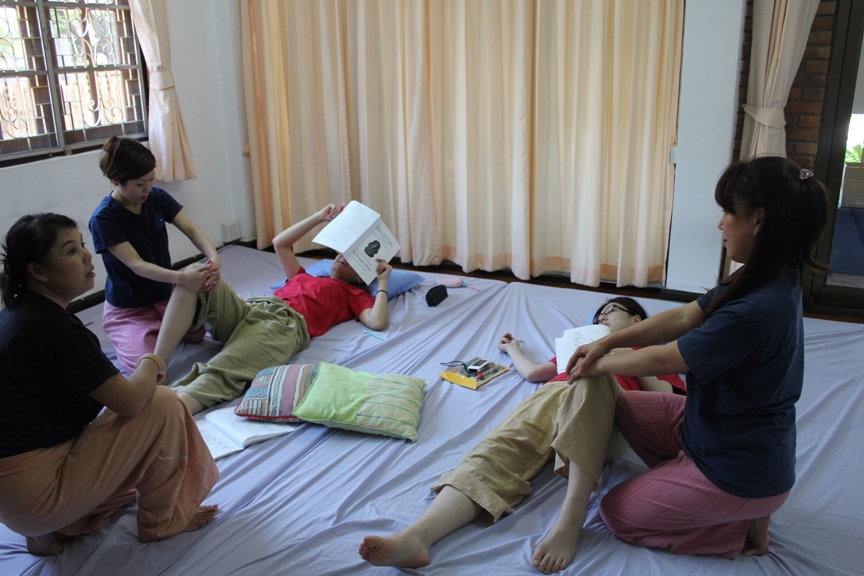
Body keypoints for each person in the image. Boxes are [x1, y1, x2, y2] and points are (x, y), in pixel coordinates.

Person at [565, 157, 829, 559]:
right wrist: (607, 343)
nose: (721, 224)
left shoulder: (756, 309)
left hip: (739, 470)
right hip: (715, 429)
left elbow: (665, 360)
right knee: (625, 406)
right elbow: (683, 316)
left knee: (615, 513)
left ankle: (737, 527)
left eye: (729, 212)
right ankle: (705, 495)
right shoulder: (762, 274)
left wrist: (599, 363)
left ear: (758, 220)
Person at [359, 298, 685, 574]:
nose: (602, 316)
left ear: (637, 320)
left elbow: (664, 399)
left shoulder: (651, 353)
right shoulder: (582, 343)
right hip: (553, 398)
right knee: (500, 448)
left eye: (612, 311)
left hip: (609, 413)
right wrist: (512, 348)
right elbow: (534, 373)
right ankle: (417, 537)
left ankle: (570, 521)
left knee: (591, 372)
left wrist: (618, 349)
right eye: (600, 313)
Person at [0, 214, 219, 556]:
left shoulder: (16, 313)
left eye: (82, 245)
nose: (88, 256)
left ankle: (45, 533)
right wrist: (155, 360)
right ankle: (161, 521)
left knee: (126, 440)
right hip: (37, 497)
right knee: (163, 403)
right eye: (71, 251)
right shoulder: (55, 329)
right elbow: (131, 402)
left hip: (12, 501)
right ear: (38, 271)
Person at [151, 204, 393, 415]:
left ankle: (168, 412)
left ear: (361, 277)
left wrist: (382, 282)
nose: (343, 257)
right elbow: (280, 243)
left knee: (227, 368)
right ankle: (157, 365)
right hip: (252, 309)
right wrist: (319, 217)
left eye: (353, 259)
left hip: (282, 325)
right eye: (344, 251)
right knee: (195, 273)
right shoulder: (303, 275)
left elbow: (376, 322)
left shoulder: (354, 294)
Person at [89, 136, 221, 375]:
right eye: (140, 184)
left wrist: (213, 257)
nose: (147, 189)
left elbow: (191, 230)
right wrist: (182, 279)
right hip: (131, 310)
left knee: (198, 325)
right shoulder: (104, 218)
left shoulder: (156, 197)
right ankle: (140, 336)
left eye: (151, 180)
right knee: (151, 371)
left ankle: (167, 326)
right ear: (117, 181)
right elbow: (136, 265)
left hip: (165, 297)